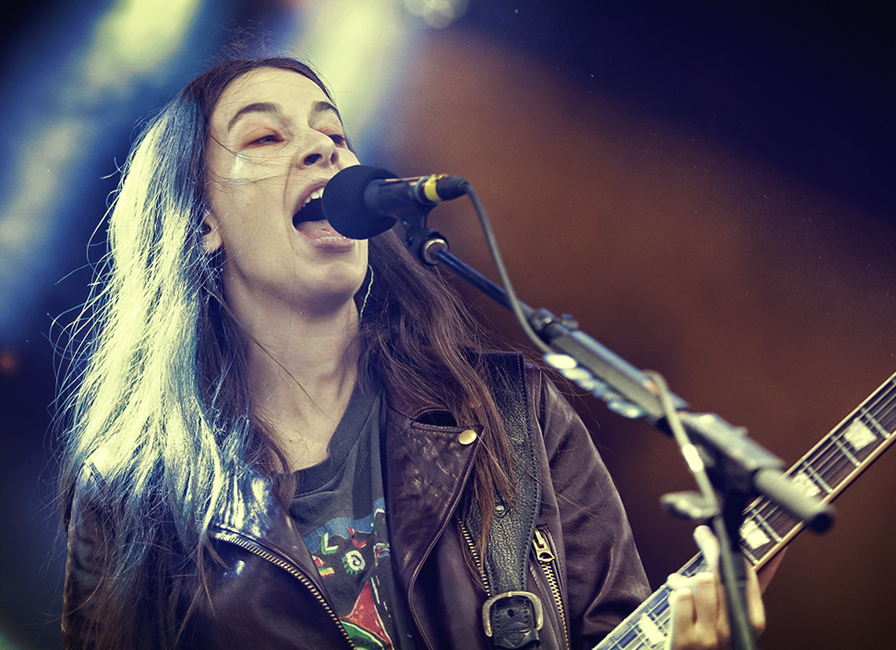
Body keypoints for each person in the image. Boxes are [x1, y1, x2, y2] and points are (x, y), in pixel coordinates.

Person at [58, 56, 766, 649]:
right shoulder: (131, 490)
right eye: (267, 138)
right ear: (202, 223)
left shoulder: (511, 412)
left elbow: (611, 625)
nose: (325, 149)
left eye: (334, 133)